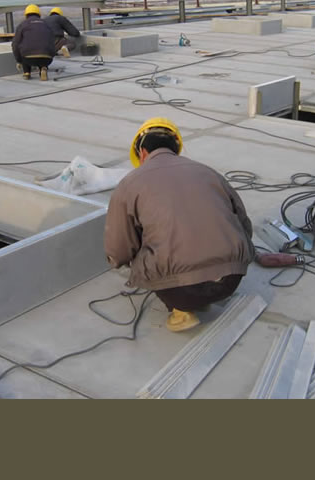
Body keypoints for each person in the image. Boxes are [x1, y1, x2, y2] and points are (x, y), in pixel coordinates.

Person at [104, 118, 255, 332]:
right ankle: (204, 292)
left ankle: (181, 311)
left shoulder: (130, 183)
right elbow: (244, 225)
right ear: (176, 149)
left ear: (142, 152)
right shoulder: (209, 172)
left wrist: (118, 261)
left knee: (139, 246)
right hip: (231, 280)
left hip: (180, 290)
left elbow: (119, 247)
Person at [12, 4, 56, 80]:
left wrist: (18, 60)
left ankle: (27, 73)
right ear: (39, 14)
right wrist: (51, 55)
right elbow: (52, 41)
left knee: (24, 50)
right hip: (46, 58)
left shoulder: (22, 25)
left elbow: (15, 44)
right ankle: (43, 68)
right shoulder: (46, 24)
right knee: (42, 53)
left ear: (26, 15)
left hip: (28, 59)